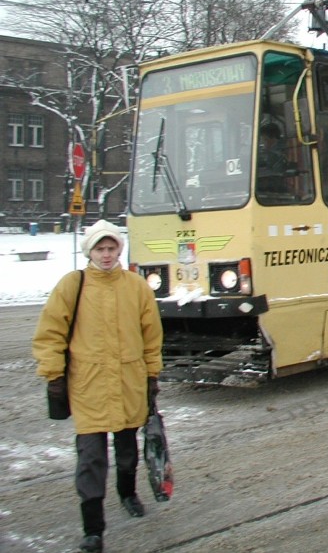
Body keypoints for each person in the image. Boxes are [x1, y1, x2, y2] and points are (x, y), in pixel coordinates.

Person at [32, 220, 163, 553]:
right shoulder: (72, 286)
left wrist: (151, 376)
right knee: (91, 459)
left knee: (127, 452)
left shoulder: (136, 287)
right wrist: (54, 375)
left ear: (119, 249)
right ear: (89, 251)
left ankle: (128, 493)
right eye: (99, 249)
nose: (106, 255)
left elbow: (152, 338)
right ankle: (93, 528)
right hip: (88, 387)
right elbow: (50, 333)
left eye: (111, 248)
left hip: (129, 383)